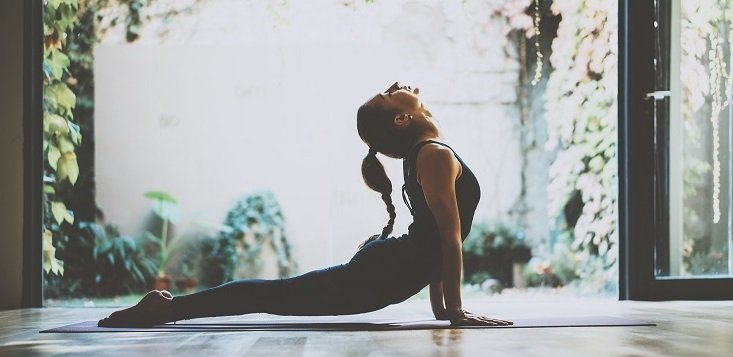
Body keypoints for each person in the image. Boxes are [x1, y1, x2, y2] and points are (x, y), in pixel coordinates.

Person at [98, 82, 512, 328]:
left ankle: (168, 308)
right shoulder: (433, 154)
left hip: (390, 271)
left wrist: (443, 308)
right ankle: (167, 308)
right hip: (383, 273)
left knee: (277, 295)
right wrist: (454, 310)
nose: (399, 87)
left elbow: (435, 240)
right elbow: (446, 237)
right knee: (274, 295)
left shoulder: (425, 153)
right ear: (402, 119)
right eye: (389, 94)